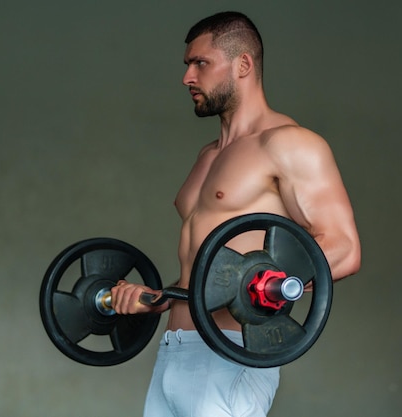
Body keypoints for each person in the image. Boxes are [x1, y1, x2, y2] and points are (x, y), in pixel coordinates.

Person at [111, 11, 361, 417]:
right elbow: (209, 271)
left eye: (201, 64)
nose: (187, 78)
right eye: (187, 65)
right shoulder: (208, 156)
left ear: (243, 64)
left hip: (232, 353)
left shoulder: (289, 144)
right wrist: (159, 298)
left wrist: (271, 285)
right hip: (174, 354)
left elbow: (344, 249)